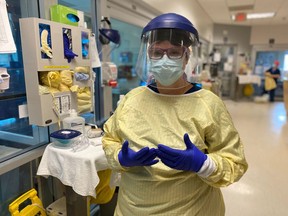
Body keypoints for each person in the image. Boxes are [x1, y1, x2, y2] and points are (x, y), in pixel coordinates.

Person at [102, 13, 248, 215]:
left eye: (173, 53)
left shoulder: (208, 103)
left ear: (187, 57)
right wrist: (121, 158)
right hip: (132, 208)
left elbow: (234, 162)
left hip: (192, 208)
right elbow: (110, 139)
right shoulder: (132, 99)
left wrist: (203, 164)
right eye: (157, 52)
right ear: (148, 55)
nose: (164, 59)